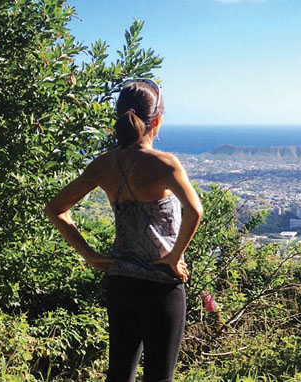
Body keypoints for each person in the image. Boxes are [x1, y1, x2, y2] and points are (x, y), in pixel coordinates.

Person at [45, 78, 203, 382]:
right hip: (161, 285)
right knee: (159, 376)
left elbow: (55, 209)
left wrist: (90, 255)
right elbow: (195, 210)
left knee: (119, 373)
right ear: (156, 120)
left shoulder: (103, 164)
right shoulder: (165, 164)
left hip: (120, 281)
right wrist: (174, 255)